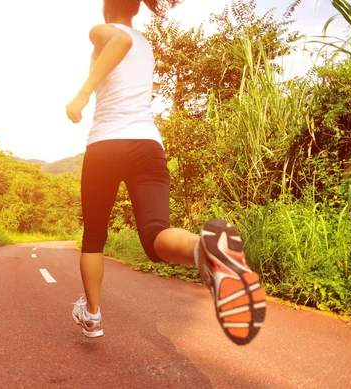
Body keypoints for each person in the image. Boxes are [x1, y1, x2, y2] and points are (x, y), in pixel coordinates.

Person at [65, 0, 266, 346]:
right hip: (147, 145)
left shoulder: (104, 31)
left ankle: (93, 314)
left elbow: (119, 42)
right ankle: (204, 250)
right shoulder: (147, 44)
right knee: (154, 234)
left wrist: (81, 96)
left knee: (94, 236)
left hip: (106, 145)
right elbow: (128, 54)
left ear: (106, 6)